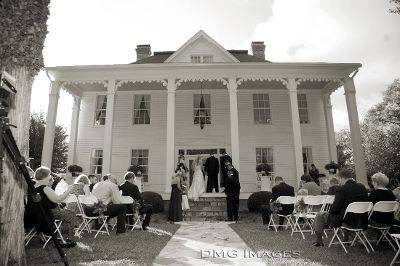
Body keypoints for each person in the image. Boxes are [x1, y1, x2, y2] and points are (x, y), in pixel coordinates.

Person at [312, 168, 369, 247]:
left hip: (346, 221)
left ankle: (319, 241)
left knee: (319, 215)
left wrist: (330, 212)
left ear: (342, 177)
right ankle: (346, 239)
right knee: (344, 213)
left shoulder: (342, 189)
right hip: (361, 220)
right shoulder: (362, 187)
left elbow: (334, 209)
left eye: (339, 179)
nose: (339, 181)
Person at [24, 166, 77, 247]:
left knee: (66, 213)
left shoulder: (33, 187)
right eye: (49, 174)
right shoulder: (45, 188)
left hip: (33, 215)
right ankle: (66, 239)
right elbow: (58, 199)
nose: (51, 176)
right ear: (46, 176)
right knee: (71, 214)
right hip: (45, 215)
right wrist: (68, 190)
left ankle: (59, 236)